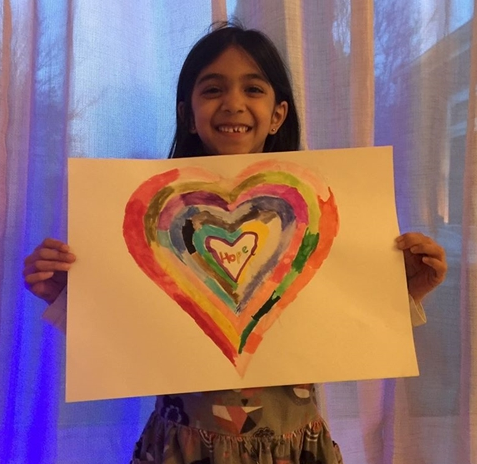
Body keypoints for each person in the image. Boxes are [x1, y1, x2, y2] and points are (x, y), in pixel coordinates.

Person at [23, 23, 447, 464]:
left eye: (253, 88)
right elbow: (134, 330)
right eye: (213, 89)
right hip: (183, 449)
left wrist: (403, 295)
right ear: (188, 113)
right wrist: (64, 297)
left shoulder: (310, 215)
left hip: (293, 448)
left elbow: (341, 323)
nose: (234, 103)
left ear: (278, 114)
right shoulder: (159, 221)